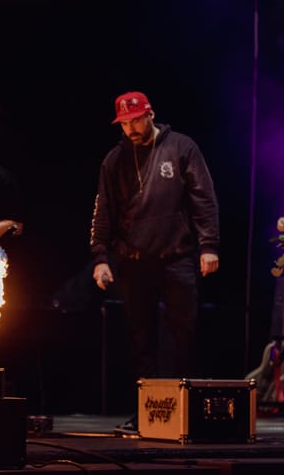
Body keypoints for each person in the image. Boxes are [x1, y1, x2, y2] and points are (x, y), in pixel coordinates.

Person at [89, 90, 220, 433]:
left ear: (150, 114)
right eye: (125, 123)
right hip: (134, 261)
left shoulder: (180, 147)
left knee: (184, 335)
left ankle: (186, 412)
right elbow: (103, 212)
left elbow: (203, 199)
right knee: (141, 340)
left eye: (136, 120)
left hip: (177, 257)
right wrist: (101, 257)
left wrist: (209, 246)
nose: (131, 129)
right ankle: (147, 412)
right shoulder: (114, 160)